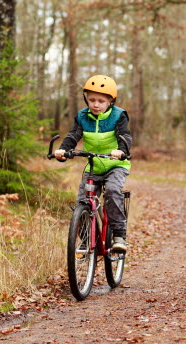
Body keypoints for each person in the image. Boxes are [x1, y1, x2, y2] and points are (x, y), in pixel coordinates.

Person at [54, 75, 132, 253]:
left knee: (112, 191)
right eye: (92, 100)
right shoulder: (83, 116)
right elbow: (74, 135)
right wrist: (64, 150)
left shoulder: (118, 116)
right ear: (86, 98)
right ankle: (87, 240)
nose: (96, 104)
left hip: (115, 165)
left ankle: (119, 234)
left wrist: (121, 150)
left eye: (101, 101)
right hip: (93, 166)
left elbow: (125, 136)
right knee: (82, 201)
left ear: (111, 101)